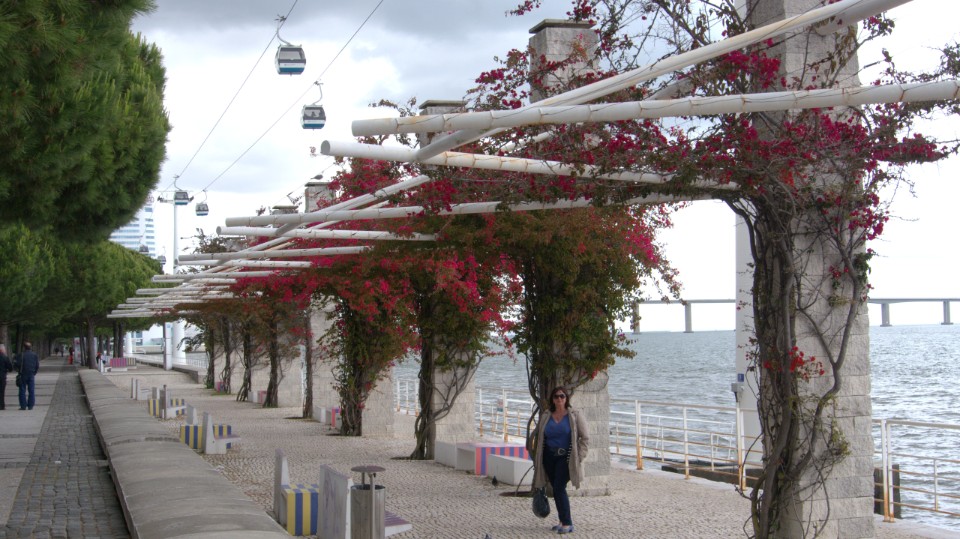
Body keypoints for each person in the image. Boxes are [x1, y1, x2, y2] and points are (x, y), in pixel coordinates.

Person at [529, 386, 589, 534]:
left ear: (566, 398)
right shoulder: (546, 415)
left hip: (566, 458)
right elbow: (541, 437)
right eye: (556, 396)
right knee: (556, 489)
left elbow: (585, 438)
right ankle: (562, 520)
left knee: (559, 487)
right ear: (553, 399)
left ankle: (567, 523)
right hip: (549, 457)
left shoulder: (574, 415)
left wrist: (579, 457)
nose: (559, 399)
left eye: (562, 396)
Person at [14, 342, 40, 410]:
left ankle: (23, 406)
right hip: (31, 374)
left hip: (23, 374)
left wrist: (18, 371)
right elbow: (37, 365)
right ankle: (30, 405)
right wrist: (34, 372)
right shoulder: (34, 355)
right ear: (30, 347)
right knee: (31, 390)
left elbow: (16, 364)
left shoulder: (20, 355)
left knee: (22, 390)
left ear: (24, 347)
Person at [0, 345, 13, 410]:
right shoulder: (5, 357)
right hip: (2, 377)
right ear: (2, 350)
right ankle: (1, 405)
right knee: (2, 392)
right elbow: (10, 367)